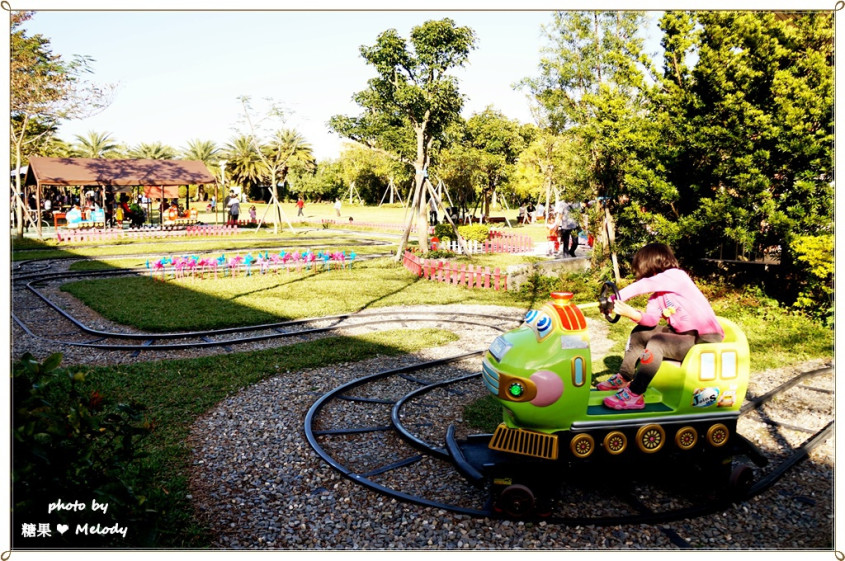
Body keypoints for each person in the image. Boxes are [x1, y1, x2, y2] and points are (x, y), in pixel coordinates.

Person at [598, 243, 725, 410]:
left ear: (648, 262)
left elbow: (643, 285)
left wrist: (613, 299)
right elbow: (651, 320)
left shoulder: (677, 276)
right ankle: (624, 376)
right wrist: (633, 314)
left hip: (704, 339)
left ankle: (635, 394)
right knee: (640, 333)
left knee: (657, 343)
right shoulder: (657, 297)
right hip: (683, 336)